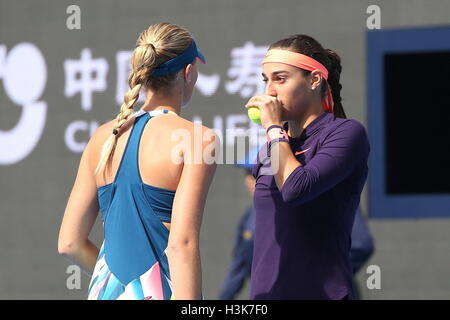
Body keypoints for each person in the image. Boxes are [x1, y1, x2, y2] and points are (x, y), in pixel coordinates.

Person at [58, 23, 217, 300]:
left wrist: (119, 286)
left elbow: (69, 244)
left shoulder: (101, 137)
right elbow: (182, 244)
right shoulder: (197, 139)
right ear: (188, 73)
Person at [245, 34, 370, 300]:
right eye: (266, 80)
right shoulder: (273, 145)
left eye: (280, 78)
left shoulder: (347, 133)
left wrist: (274, 129)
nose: (269, 91)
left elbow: (295, 189)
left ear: (314, 80)